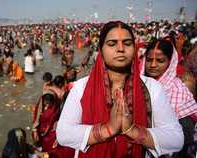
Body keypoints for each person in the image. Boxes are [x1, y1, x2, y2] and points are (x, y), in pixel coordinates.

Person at [56, 21, 184, 158]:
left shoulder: (152, 88)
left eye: (127, 43)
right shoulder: (81, 87)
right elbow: (63, 133)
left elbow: (176, 139)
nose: (121, 48)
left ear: (134, 48)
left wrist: (132, 130)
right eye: (112, 44)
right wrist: (108, 129)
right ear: (101, 49)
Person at [143, 39, 197, 157]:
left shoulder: (179, 91)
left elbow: (185, 136)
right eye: (149, 60)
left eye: (160, 61)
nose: (153, 65)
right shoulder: (138, 84)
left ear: (170, 62)